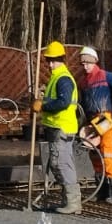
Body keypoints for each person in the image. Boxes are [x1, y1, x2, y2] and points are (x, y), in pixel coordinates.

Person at [34, 41, 81, 213]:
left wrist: (44, 106)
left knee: (61, 163)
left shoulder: (63, 79)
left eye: (53, 60)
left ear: (60, 59)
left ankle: (73, 202)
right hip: (56, 127)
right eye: (49, 60)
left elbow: (63, 102)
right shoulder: (56, 78)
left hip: (62, 127)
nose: (50, 64)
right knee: (58, 163)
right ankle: (68, 200)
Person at [77, 46, 112, 204]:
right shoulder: (83, 82)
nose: (85, 66)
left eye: (87, 63)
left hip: (105, 117)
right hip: (92, 119)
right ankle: (102, 189)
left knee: (107, 153)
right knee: (95, 154)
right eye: (83, 63)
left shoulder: (105, 76)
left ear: (94, 62)